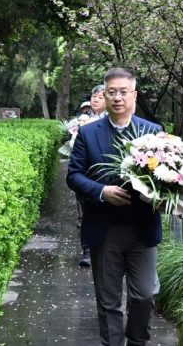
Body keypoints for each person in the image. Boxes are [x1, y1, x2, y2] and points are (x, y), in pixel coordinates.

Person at [67, 68, 163, 346]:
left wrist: (163, 194)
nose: (117, 97)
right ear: (105, 95)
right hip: (104, 228)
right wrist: (101, 191)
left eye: (123, 92)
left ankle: (136, 341)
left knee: (144, 295)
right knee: (108, 300)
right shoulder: (87, 133)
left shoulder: (152, 131)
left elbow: (166, 174)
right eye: (112, 92)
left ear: (134, 95)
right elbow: (73, 175)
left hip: (142, 227)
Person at [77, 84, 108, 266]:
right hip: (85, 175)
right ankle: (87, 251)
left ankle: (100, 248)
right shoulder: (82, 120)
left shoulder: (111, 121)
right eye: (93, 96)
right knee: (86, 211)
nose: (95, 100)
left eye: (100, 97)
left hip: (104, 175)